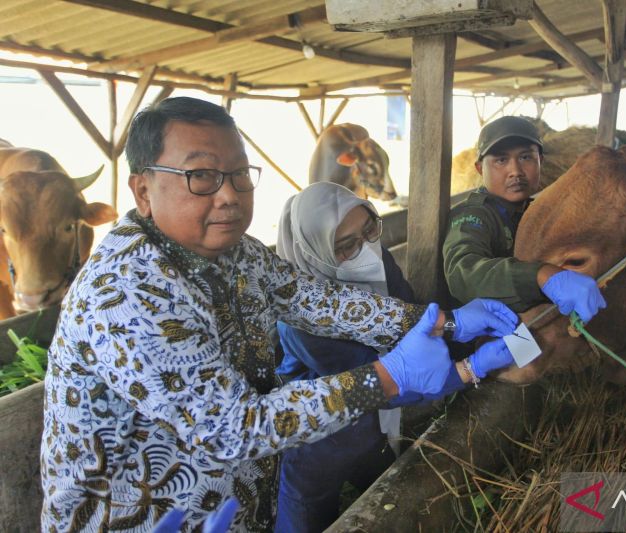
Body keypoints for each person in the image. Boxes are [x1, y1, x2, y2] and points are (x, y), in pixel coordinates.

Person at [39, 96, 517, 532]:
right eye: (201, 176)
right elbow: (232, 429)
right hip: (139, 519)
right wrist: (387, 377)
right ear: (143, 190)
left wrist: (442, 321)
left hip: (233, 507)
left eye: (240, 174)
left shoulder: (236, 252)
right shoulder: (126, 293)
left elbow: (321, 302)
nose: (229, 195)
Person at [274, 182, 477, 532]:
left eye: (369, 230)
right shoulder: (298, 322)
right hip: (318, 438)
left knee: (389, 496)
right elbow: (380, 381)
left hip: (373, 429)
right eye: (346, 245)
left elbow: (409, 320)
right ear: (314, 251)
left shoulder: (378, 257)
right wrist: (469, 369)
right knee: (309, 515)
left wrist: (456, 328)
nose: (366, 249)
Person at [443, 115, 606, 319]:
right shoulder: (473, 215)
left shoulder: (539, 212)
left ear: (541, 161)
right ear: (479, 168)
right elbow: (464, 273)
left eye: (525, 157)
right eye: (501, 160)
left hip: (533, 321)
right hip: (481, 331)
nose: (516, 171)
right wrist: (540, 275)